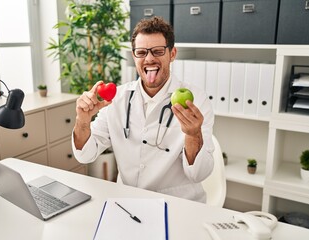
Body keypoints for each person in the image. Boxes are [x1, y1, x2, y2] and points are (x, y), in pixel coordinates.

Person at [72, 16, 214, 202]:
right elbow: (85, 155)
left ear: (172, 54)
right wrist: (83, 121)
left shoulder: (196, 100)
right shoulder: (117, 99)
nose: (149, 59)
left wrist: (193, 134)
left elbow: (198, 174)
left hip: (179, 205)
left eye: (157, 51)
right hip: (128, 203)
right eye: (141, 52)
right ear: (134, 56)